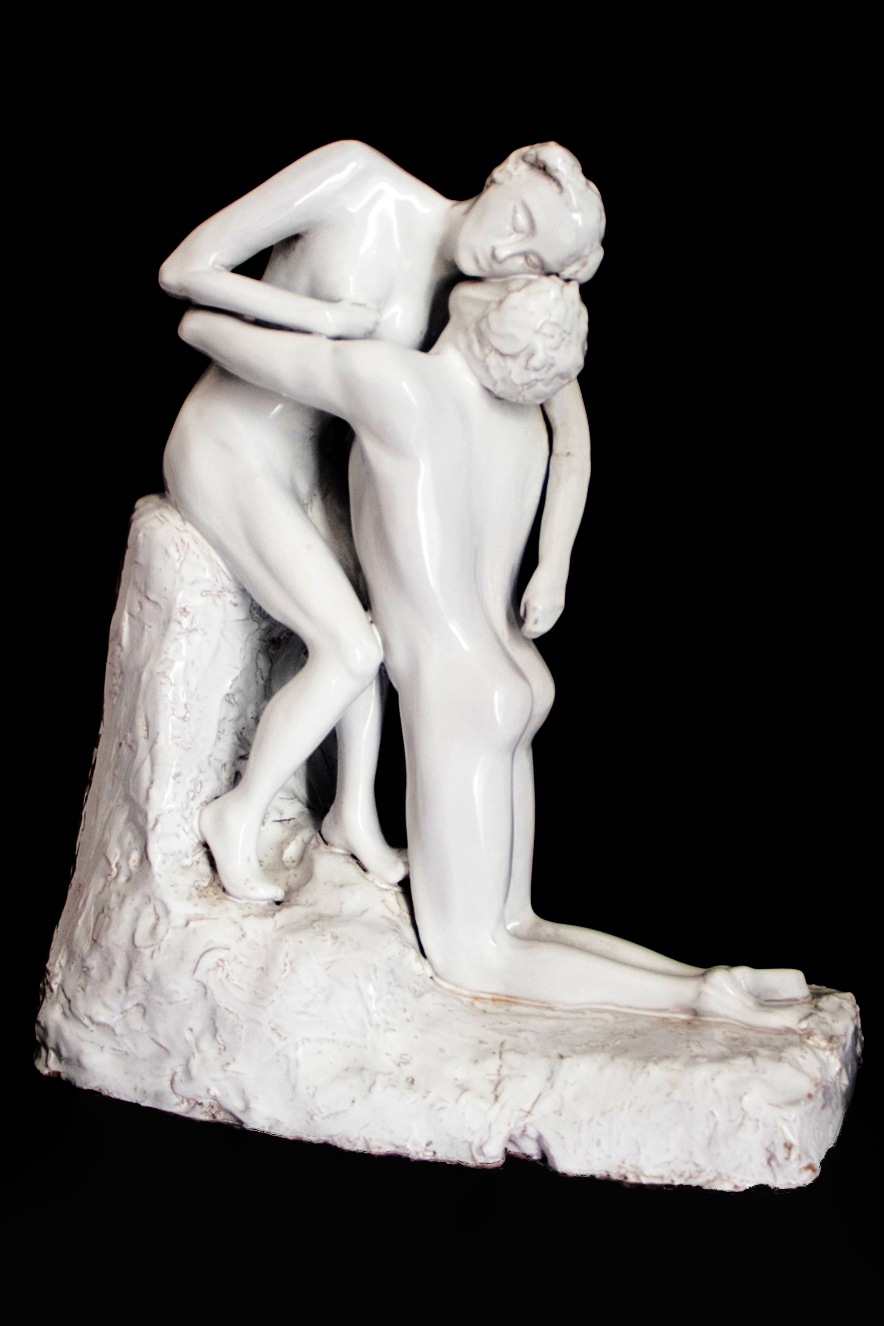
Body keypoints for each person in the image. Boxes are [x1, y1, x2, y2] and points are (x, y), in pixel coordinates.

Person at [176, 278, 811, 1027]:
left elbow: (203, 330)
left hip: (459, 691)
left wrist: (328, 313)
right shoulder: (529, 423)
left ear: (475, 312)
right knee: (519, 923)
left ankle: (698, 998)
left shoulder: (396, 386)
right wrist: (555, 564)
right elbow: (576, 448)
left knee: (476, 957)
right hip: (514, 670)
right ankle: (711, 980)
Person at [161, 139, 605, 900]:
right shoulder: (357, 178)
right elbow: (185, 275)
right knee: (350, 650)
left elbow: (569, 428)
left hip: (307, 475)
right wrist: (324, 317)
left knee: (376, 627)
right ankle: (235, 818)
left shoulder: (473, 296)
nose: (507, 253)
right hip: (230, 447)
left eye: (533, 260)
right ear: (506, 170)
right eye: (518, 221)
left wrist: (553, 560)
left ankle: (353, 815)